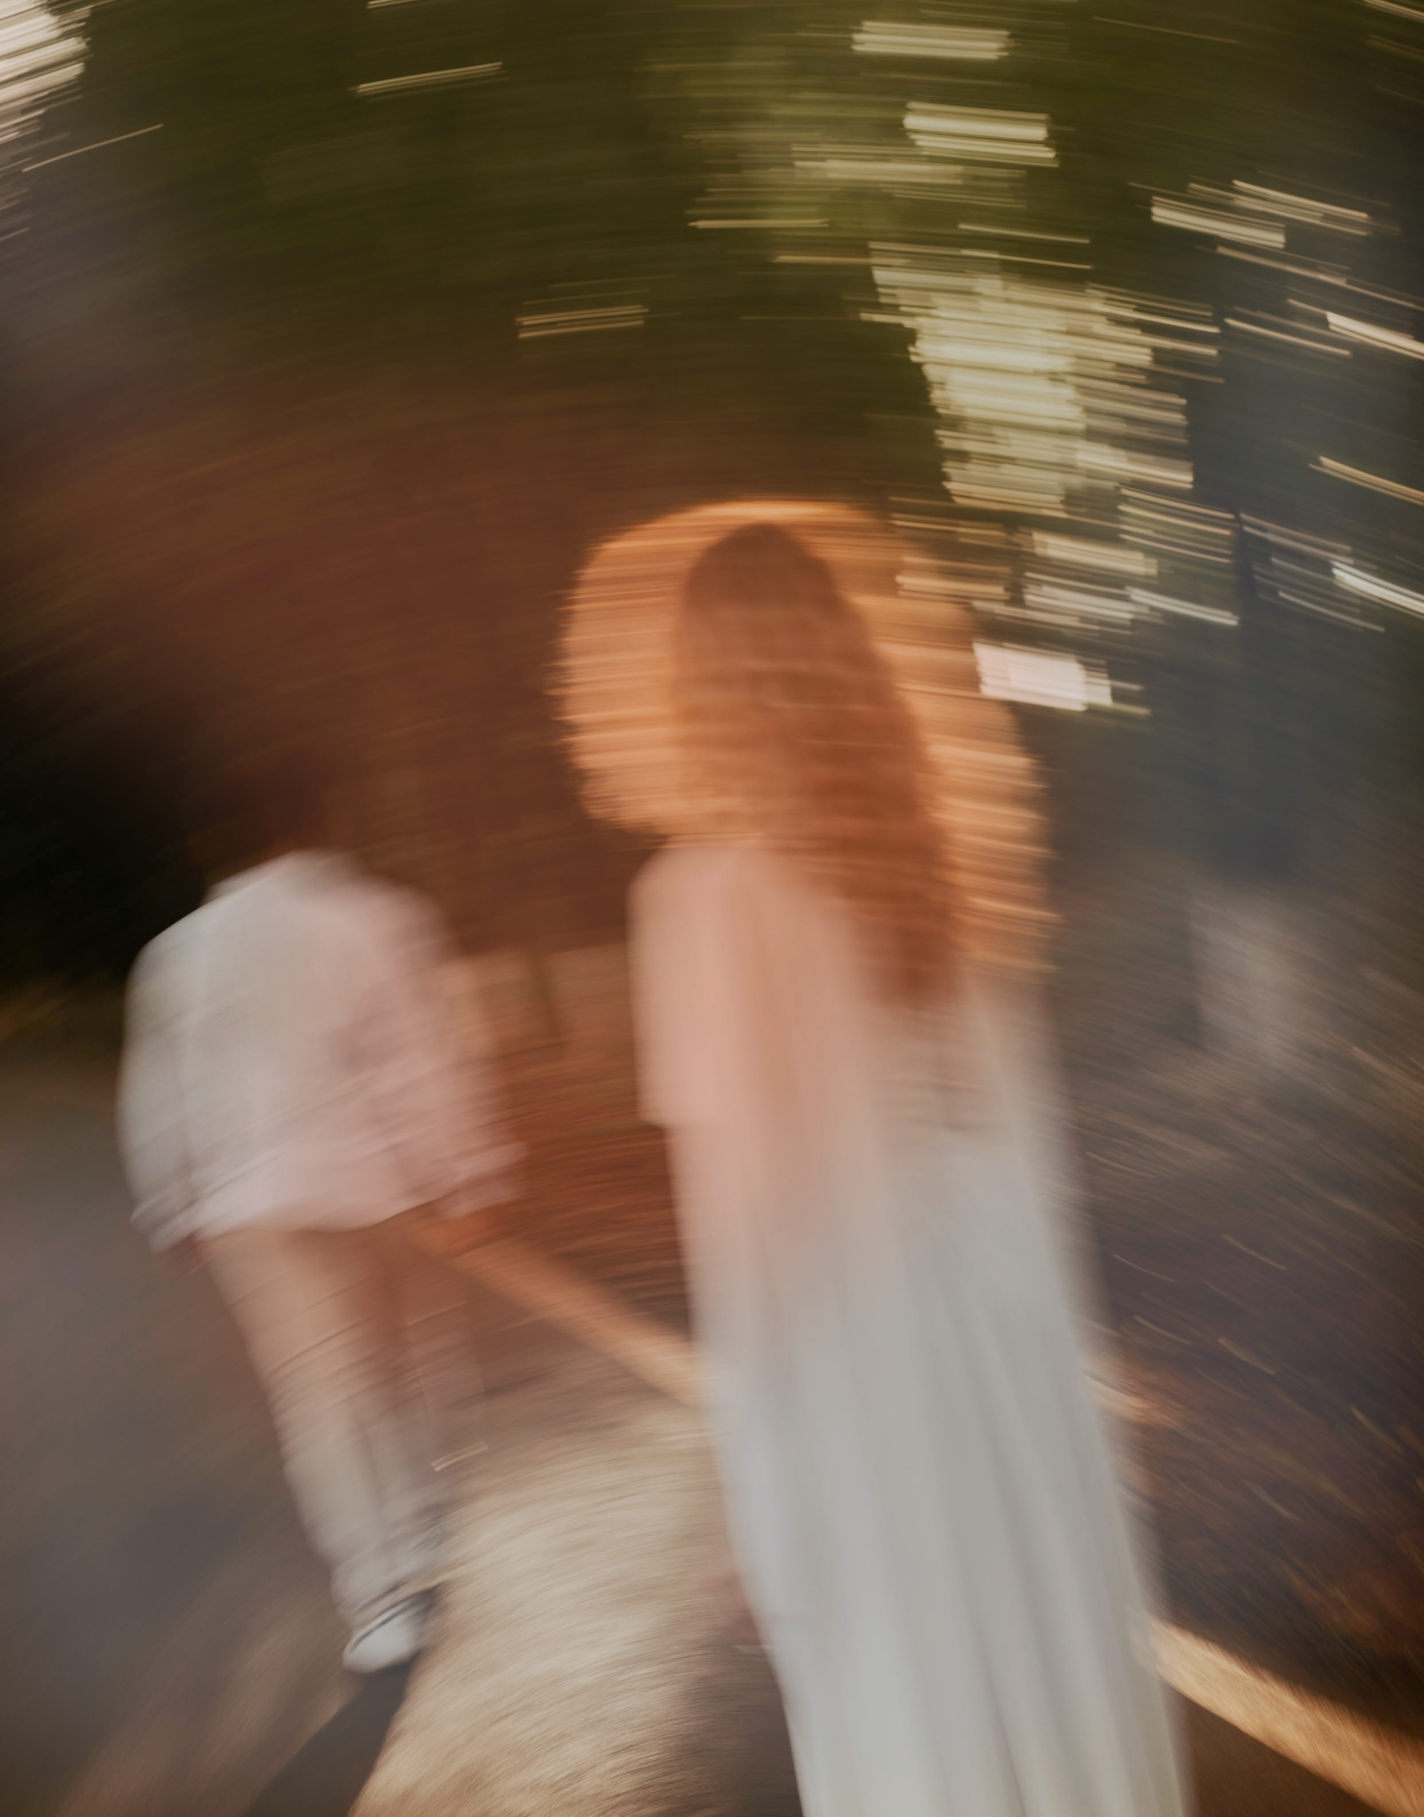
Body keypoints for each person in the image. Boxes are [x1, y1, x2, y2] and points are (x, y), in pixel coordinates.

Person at [558, 502, 1189, 1817]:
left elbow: (752, 1238)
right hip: (1013, 1367)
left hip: (861, 1399)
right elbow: (1030, 1164)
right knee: (1051, 1688)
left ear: (690, 686)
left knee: (916, 1718)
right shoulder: (952, 869)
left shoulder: (704, 897)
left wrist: (755, 1504)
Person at [116, 743, 516, 1675]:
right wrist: (466, 1173)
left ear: (212, 844)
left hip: (253, 1202)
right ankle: (422, 1531)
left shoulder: (175, 953)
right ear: (318, 822)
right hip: (374, 1186)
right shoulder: (375, 918)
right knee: (414, 1358)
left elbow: (160, 1089)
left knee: (320, 1398)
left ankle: (377, 1599)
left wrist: (169, 1205)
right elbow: (421, 1056)